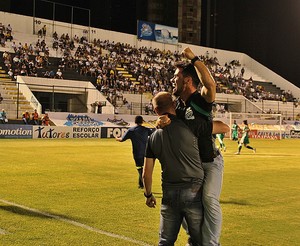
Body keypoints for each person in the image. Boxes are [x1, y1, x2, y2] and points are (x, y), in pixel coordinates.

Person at [171, 47, 223, 246]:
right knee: (182, 204)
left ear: (187, 80)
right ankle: (196, 240)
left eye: (176, 76)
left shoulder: (200, 100)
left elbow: (210, 84)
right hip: (191, 166)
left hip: (210, 161)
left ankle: (211, 244)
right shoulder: (177, 106)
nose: (171, 80)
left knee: (209, 199)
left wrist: (194, 59)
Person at [143, 92, 204, 246]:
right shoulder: (189, 124)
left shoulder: (152, 138)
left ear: (156, 111)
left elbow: (146, 174)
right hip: (194, 189)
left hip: (169, 191)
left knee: (165, 241)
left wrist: (148, 194)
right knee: (199, 241)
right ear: (174, 104)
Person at [116, 115, 153, 189]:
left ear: (135, 121)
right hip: (146, 152)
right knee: (144, 168)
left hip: (137, 153)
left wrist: (117, 138)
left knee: (139, 168)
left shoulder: (131, 130)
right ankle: (141, 184)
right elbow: (153, 135)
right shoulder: (146, 129)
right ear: (142, 121)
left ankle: (142, 184)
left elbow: (122, 139)